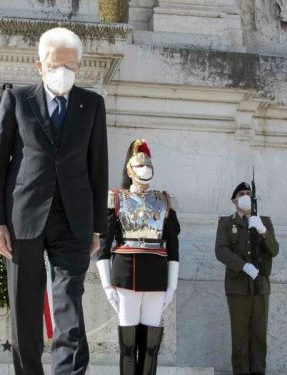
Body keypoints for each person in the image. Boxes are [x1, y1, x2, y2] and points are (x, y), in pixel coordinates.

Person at [0, 27, 108, 375]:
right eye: (55, 65)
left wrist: (98, 227)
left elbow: (98, 167)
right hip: (24, 218)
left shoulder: (92, 104)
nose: (63, 73)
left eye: (71, 66)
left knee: (70, 307)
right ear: (39, 65)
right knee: (25, 311)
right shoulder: (17, 99)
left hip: (74, 219)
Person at [95, 139, 180, 375]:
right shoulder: (117, 199)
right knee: (129, 345)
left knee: (151, 345)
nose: (145, 169)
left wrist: (171, 285)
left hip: (155, 278)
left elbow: (173, 247)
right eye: (139, 165)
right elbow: (104, 246)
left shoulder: (164, 202)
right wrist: (106, 284)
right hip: (126, 277)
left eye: (148, 164)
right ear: (130, 169)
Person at [215, 182, 279, 375]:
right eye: (241, 193)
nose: (245, 196)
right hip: (238, 287)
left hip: (260, 286)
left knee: (259, 337)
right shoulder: (226, 223)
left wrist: (262, 231)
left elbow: (274, 250)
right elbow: (221, 251)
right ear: (234, 200)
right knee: (240, 338)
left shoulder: (264, 222)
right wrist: (243, 265)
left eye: (248, 193)